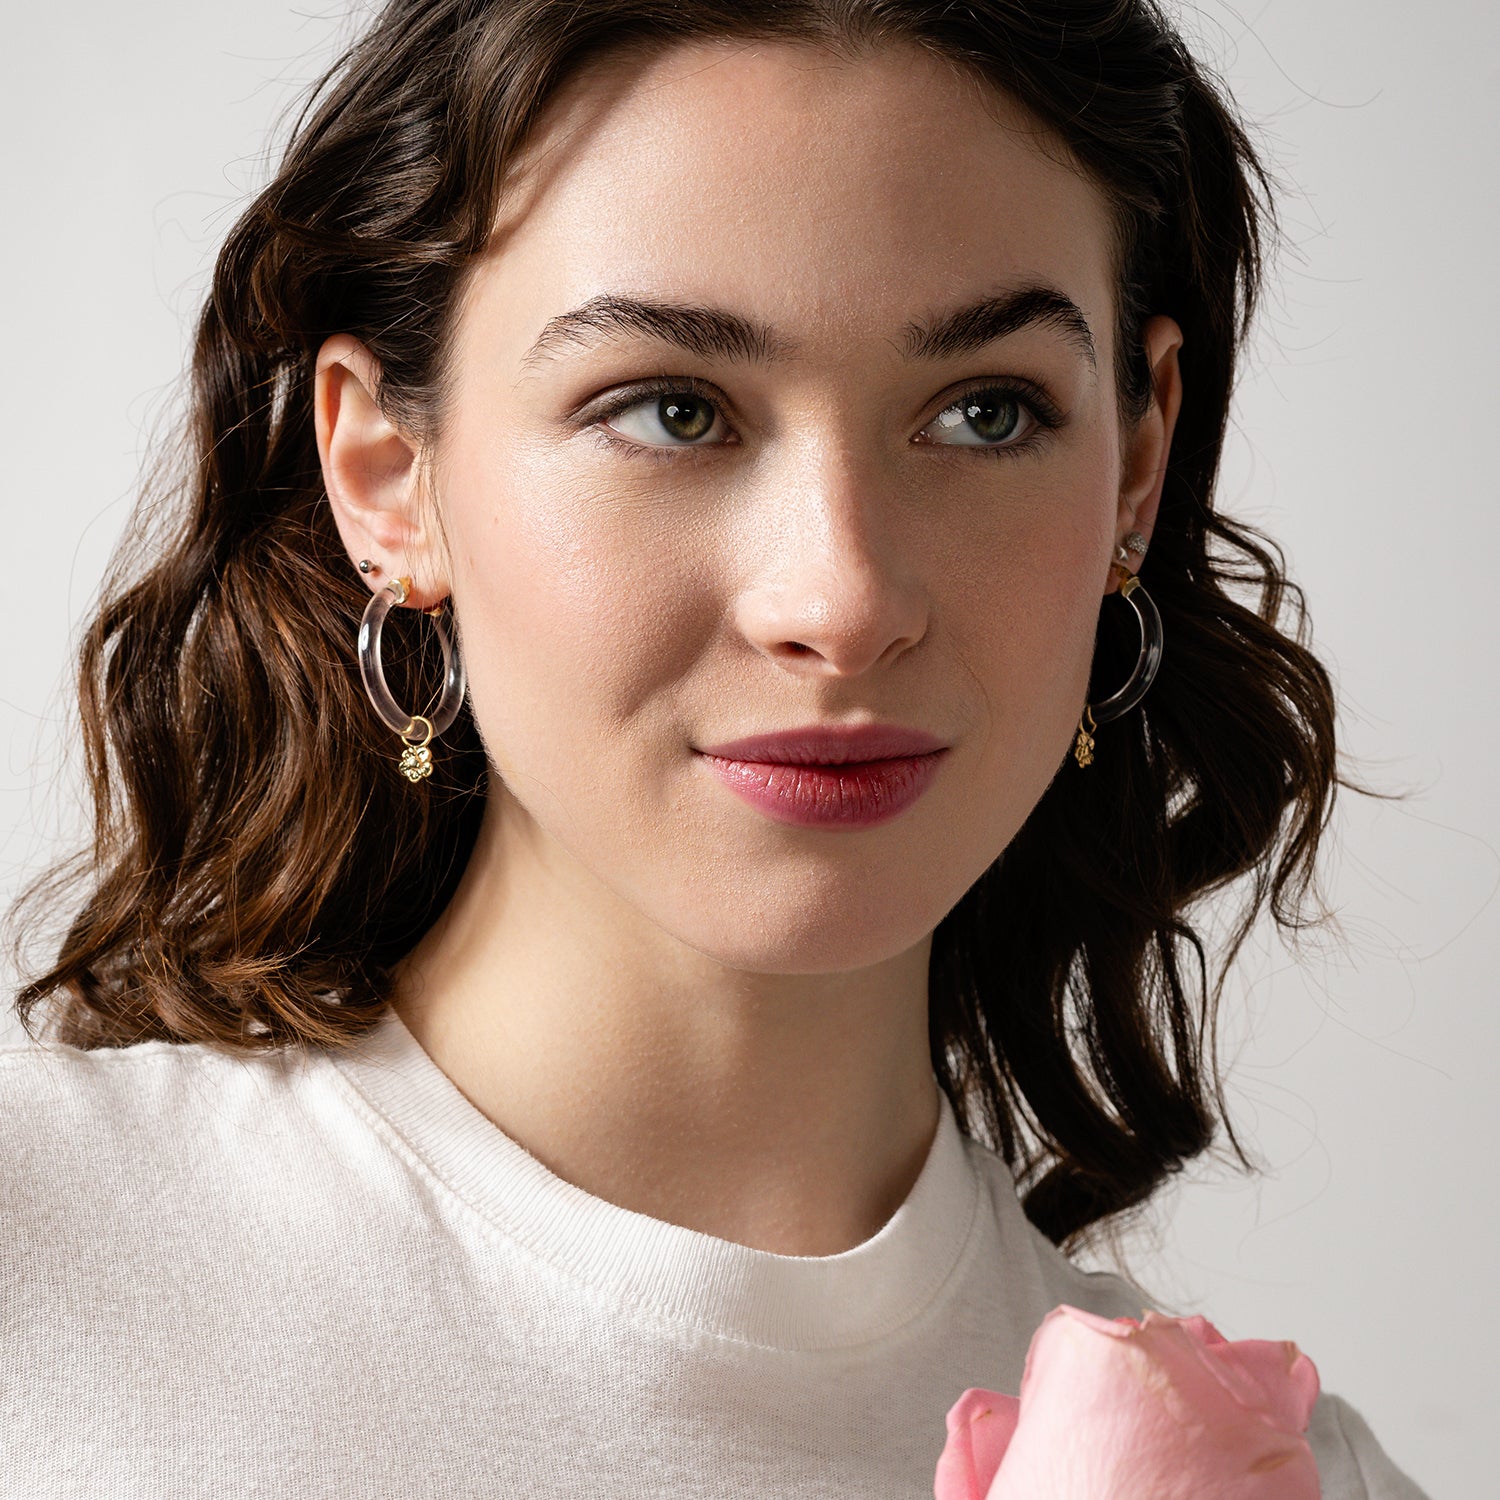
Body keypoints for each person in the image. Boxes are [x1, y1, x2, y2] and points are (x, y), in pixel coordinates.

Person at [0, 1, 1432, 1495]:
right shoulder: (34, 1283)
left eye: (988, 413)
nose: (845, 600)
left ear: (1133, 469)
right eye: (674, 410)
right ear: (384, 474)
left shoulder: (1291, 1479)